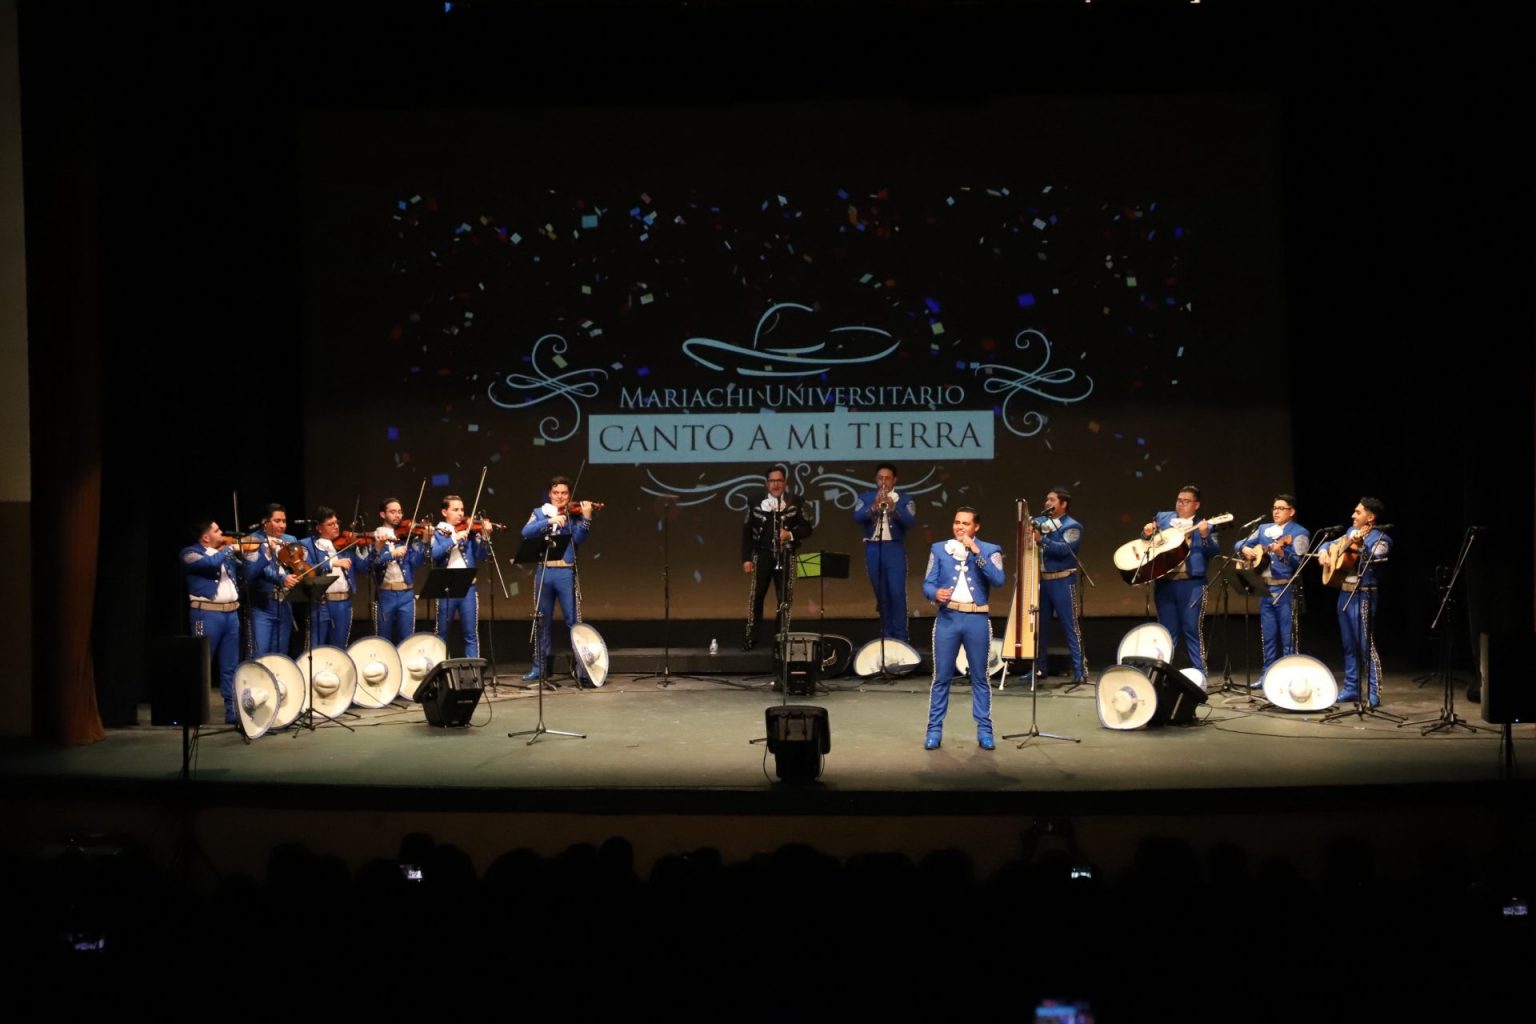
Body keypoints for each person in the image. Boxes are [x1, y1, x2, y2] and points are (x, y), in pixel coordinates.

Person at [922, 506, 1007, 750]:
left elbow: (998, 580)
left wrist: (976, 551)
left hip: (976, 620)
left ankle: (985, 731)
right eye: (957, 522)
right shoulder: (939, 548)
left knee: (980, 677)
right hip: (948, 618)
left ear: (976, 527)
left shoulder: (990, 549)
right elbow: (927, 583)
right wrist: (935, 593)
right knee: (941, 677)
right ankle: (934, 730)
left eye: (965, 523)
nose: (960, 527)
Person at [521, 476, 595, 682]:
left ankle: (582, 669)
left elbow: (579, 538)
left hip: (565, 573)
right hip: (544, 572)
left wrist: (586, 519)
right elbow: (526, 532)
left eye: (564, 493)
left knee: (573, 622)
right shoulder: (539, 512)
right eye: (556, 493)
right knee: (541, 621)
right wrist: (549, 521)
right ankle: (539, 668)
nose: (560, 497)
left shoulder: (574, 515)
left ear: (569, 495)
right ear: (549, 494)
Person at [1320, 497, 1391, 707]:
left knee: (1365, 645)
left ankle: (1374, 692)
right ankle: (1351, 688)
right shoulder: (1350, 532)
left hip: (1364, 595)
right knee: (1348, 644)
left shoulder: (1381, 539)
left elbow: (1374, 558)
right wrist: (1323, 552)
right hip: (1344, 593)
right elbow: (1329, 543)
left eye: (1358, 512)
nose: (1353, 515)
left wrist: (1360, 545)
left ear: (1370, 517)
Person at [1142, 485, 1220, 674]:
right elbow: (1146, 541)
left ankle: (1200, 673)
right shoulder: (1163, 518)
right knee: (1166, 631)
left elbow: (1213, 552)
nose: (1181, 504)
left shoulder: (1207, 525)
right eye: (1179, 500)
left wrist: (1204, 536)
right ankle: (1161, 673)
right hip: (1165, 582)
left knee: (1191, 628)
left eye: (1186, 501)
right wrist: (1146, 533)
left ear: (1196, 505)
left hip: (1191, 583)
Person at [1233, 493, 1310, 674]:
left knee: (1288, 638)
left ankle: (1289, 675)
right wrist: (1244, 548)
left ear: (1291, 512)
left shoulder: (1299, 532)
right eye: (1274, 508)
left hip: (1285, 589)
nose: (1276, 512)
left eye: (1281, 509)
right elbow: (1239, 543)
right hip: (1265, 589)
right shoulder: (1263, 529)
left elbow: (1299, 563)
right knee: (1267, 637)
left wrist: (1282, 554)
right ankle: (1267, 674)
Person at [740, 465, 813, 650]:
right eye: (772, 481)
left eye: (779, 480)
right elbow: (747, 531)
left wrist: (790, 534)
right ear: (767, 483)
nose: (776, 484)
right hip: (762, 554)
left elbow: (807, 528)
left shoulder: (796, 501)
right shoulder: (755, 501)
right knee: (756, 597)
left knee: (785, 598)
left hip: (786, 555)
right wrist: (746, 558)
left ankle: (781, 638)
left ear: (785, 483)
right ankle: (751, 636)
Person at [182, 520, 243, 724]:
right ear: (206, 537)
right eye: (217, 530)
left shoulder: (224, 554)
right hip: (206, 615)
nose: (222, 532)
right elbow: (209, 564)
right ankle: (194, 710)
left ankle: (232, 711)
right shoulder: (189, 553)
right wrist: (229, 549)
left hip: (231, 615)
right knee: (201, 663)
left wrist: (254, 554)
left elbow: (248, 570)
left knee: (230, 665)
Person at [852, 463, 917, 642]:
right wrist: (873, 507)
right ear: (876, 479)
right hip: (873, 548)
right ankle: (886, 636)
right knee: (881, 595)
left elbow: (910, 522)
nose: (883, 482)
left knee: (897, 593)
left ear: (894, 480)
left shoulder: (905, 499)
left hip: (894, 549)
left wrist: (894, 508)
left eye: (887, 478)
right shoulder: (865, 497)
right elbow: (857, 517)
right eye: (880, 478)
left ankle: (901, 638)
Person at [297, 506, 371, 649]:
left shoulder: (347, 545)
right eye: (330, 524)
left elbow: (363, 567)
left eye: (337, 523)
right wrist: (332, 563)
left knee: (340, 647)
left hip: (344, 602)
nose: (336, 527)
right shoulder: (308, 545)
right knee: (316, 646)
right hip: (322, 603)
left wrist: (375, 547)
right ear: (319, 528)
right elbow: (307, 570)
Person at [1035, 486, 1086, 684]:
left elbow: (1065, 550)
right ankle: (1040, 669)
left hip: (1063, 581)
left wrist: (1042, 540)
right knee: (1040, 628)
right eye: (1047, 499)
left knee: (1071, 627)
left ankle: (1080, 671)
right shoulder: (1040, 522)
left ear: (1063, 504)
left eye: (1052, 500)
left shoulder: (1073, 526)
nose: (1047, 502)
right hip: (1043, 581)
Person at [431, 494, 492, 658]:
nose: (460, 514)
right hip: (446, 587)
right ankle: (441, 667)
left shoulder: (469, 532)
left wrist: (485, 537)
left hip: (468, 586)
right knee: (442, 632)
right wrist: (453, 539)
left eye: (462, 510)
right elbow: (435, 554)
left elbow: (482, 556)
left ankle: (473, 669)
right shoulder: (438, 533)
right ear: (444, 512)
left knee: (471, 633)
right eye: (455, 509)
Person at [243, 503, 299, 657]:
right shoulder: (253, 540)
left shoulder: (290, 539)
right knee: (259, 653)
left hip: (285, 602)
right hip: (262, 604)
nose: (282, 525)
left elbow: (298, 565)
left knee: (281, 654)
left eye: (284, 521)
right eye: (277, 521)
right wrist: (281, 577)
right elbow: (254, 571)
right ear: (265, 522)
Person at [372, 497, 426, 644]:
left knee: (407, 640)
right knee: (383, 639)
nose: (398, 515)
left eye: (400, 512)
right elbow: (372, 565)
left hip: (406, 594)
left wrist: (424, 542)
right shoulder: (376, 536)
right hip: (385, 594)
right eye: (393, 512)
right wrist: (391, 554)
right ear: (383, 514)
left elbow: (417, 562)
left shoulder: (405, 537)